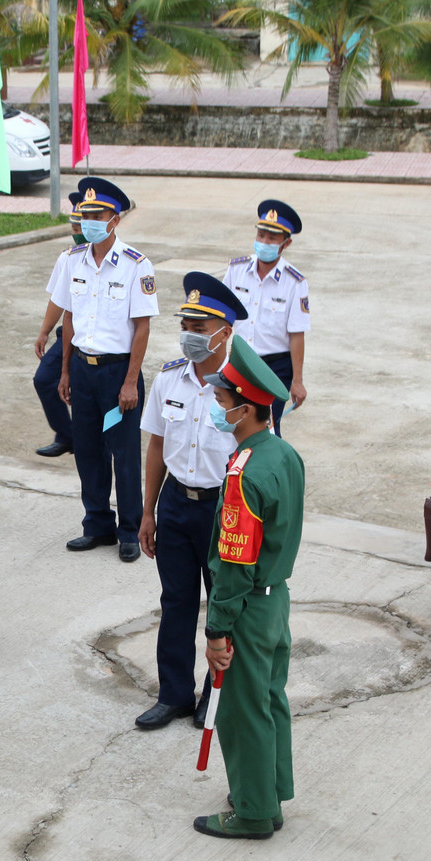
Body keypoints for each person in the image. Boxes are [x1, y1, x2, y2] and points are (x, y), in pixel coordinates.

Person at [193, 336, 302, 841]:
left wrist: (217, 629)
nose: (217, 407)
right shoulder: (283, 454)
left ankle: (254, 813)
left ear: (247, 409)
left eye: (222, 402)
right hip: (275, 599)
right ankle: (269, 794)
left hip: (248, 608)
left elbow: (234, 565)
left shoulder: (243, 475)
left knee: (242, 711)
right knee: (270, 700)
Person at [135, 274, 246, 731]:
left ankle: (215, 696)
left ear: (225, 332)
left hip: (225, 509)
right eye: (186, 324)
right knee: (177, 600)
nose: (190, 335)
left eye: (200, 328)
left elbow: (259, 457)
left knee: (224, 606)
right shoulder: (168, 379)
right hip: (177, 504)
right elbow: (157, 446)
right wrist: (147, 510)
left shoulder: (243, 388)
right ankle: (175, 694)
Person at [55, 177, 159, 562]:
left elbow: (143, 326)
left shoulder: (136, 265)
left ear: (114, 220)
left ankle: (130, 529)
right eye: (84, 215)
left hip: (119, 374)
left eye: (97, 215)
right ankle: (97, 524)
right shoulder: (72, 261)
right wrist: (65, 371)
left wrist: (131, 381)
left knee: (124, 455)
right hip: (83, 369)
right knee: (87, 451)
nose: (88, 222)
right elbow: (68, 318)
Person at [222, 200, 309, 436]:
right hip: (239, 361)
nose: (265, 243)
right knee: (231, 422)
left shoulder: (295, 282)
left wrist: (297, 381)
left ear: (286, 243)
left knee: (267, 428)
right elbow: (222, 319)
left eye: (272, 239)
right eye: (261, 235)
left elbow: (296, 334)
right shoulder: (236, 270)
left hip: (275, 368)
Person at [32, 192, 84, 458]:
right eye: (72, 228)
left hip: (100, 341)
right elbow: (58, 299)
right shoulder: (68, 258)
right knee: (44, 379)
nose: (75, 233)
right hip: (69, 334)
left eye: (79, 227)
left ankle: (92, 441)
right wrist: (44, 331)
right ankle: (68, 435)